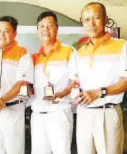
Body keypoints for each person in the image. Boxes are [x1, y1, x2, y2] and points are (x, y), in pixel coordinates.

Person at [74, 2, 127, 154]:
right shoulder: (80, 51)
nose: (91, 23)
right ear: (82, 22)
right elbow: (76, 81)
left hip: (107, 113)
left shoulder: (121, 46)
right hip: (83, 114)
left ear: (105, 19)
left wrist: (99, 92)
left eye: (96, 17)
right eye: (86, 19)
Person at [0, 16, 34, 154]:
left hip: (12, 109)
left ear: (14, 33)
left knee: (13, 150)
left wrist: (3, 99)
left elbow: (22, 83)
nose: (1, 34)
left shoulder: (22, 53)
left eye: (6, 31)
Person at [31, 11, 77, 154]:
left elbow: (76, 80)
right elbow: (28, 85)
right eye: (42, 26)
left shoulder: (69, 51)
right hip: (38, 114)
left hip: (59, 112)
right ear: (37, 30)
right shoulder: (33, 57)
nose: (46, 30)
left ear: (57, 28)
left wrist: (61, 93)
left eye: (50, 26)